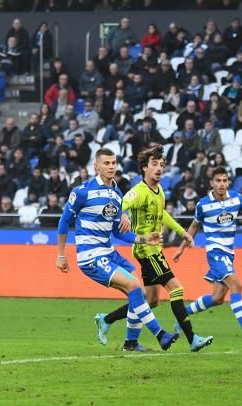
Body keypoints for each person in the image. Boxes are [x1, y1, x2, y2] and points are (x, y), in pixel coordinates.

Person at [56, 148, 178, 352]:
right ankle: (160, 334)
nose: (111, 166)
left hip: (109, 252)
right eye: (106, 163)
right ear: (96, 166)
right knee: (135, 285)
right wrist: (61, 255)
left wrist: (143, 238)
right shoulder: (82, 191)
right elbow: (64, 221)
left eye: (113, 162)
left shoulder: (116, 193)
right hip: (91, 256)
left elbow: (118, 232)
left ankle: (129, 342)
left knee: (136, 292)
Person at [96, 144, 213, 353]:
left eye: (162, 164)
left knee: (150, 301)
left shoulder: (159, 192)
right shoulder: (139, 192)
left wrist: (182, 232)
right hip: (146, 251)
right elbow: (122, 203)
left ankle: (108, 321)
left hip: (154, 250)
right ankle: (192, 338)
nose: (159, 168)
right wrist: (122, 214)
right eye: (154, 164)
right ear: (144, 168)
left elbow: (163, 215)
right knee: (176, 289)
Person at [174, 168, 242, 337]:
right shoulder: (203, 204)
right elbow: (194, 226)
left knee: (217, 298)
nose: (222, 184)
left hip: (229, 253)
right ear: (212, 183)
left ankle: (182, 315)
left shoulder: (237, 198)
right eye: (218, 180)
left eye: (225, 180)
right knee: (236, 285)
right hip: (215, 251)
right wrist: (182, 247)